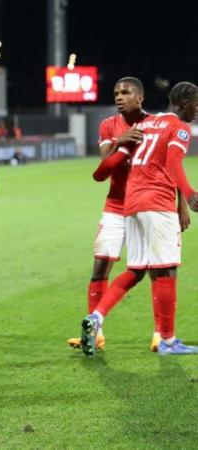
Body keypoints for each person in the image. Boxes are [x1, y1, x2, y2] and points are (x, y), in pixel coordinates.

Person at [80, 81, 198, 356]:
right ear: (184, 103)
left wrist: (101, 170)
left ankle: (96, 318)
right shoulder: (179, 128)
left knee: (136, 269)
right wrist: (189, 192)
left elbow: (105, 168)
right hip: (157, 203)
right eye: (196, 104)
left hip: (131, 205)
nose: (197, 110)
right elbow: (172, 164)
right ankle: (167, 340)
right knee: (166, 268)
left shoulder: (145, 126)